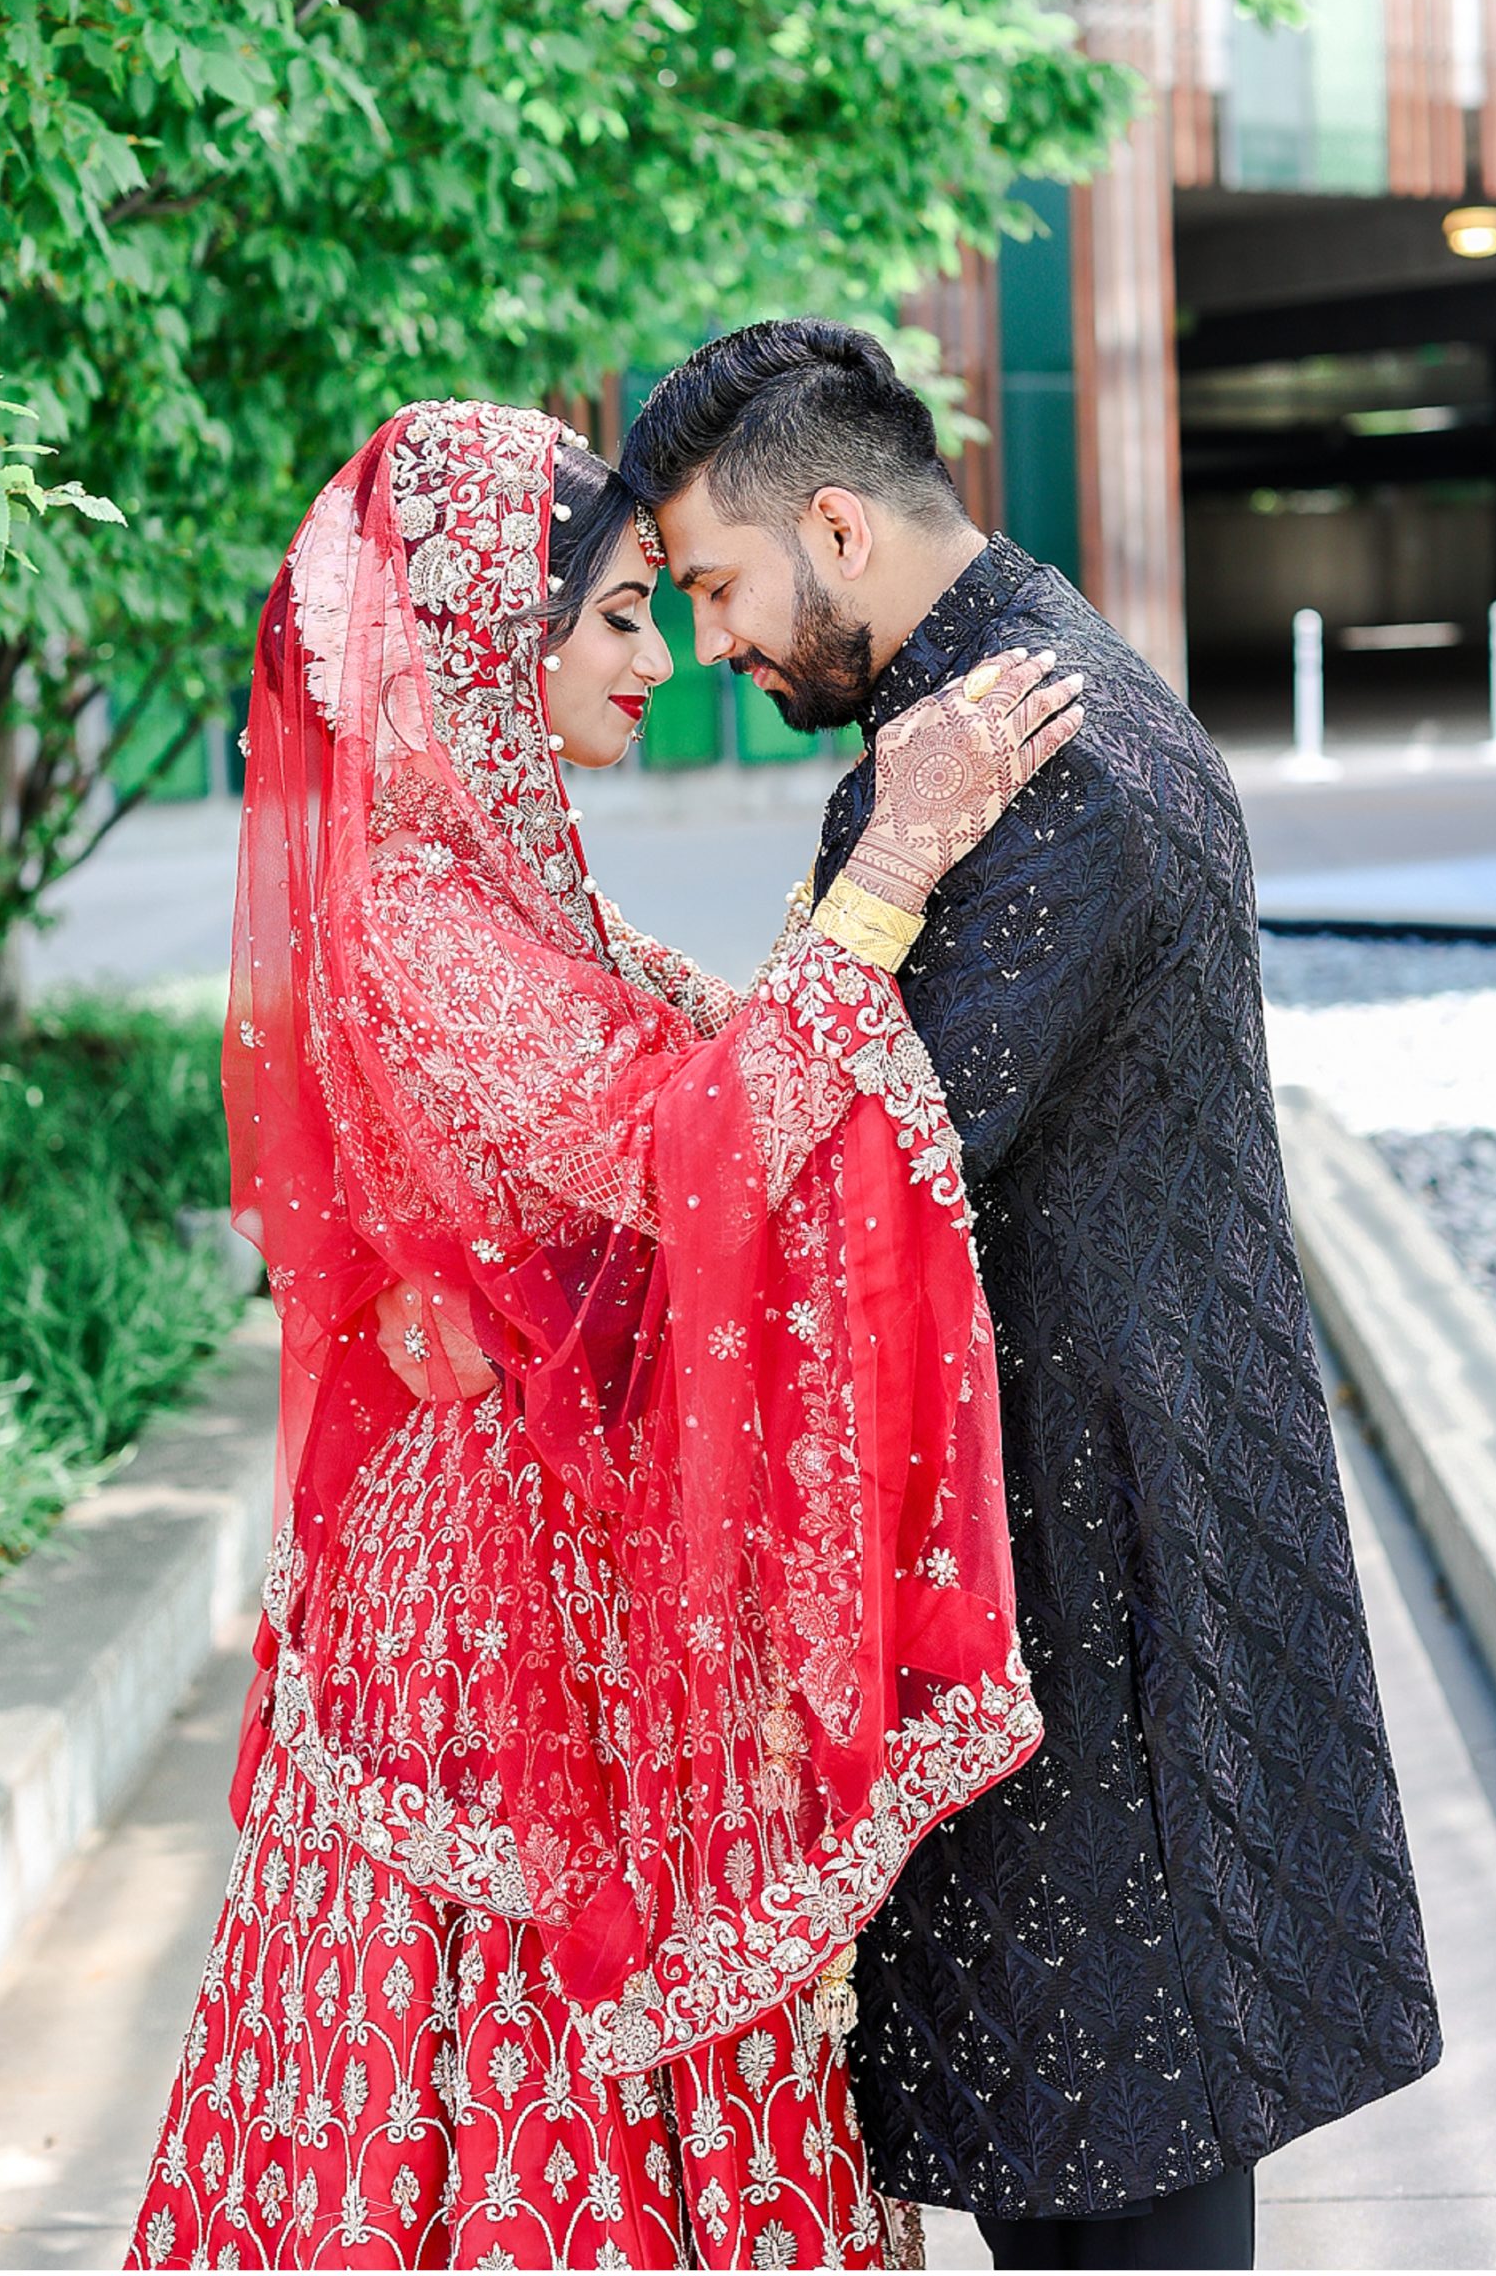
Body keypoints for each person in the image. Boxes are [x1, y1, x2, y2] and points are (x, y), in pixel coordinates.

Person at [126, 399, 1084, 2272]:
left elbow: (725, 1074)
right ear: (495, 637)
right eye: (623, 615)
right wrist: (898, 856)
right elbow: (693, 1151)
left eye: (666, 607)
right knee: (494, 2062)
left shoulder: (503, 896)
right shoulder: (414, 922)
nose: (664, 659)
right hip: (485, 1627)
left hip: (566, 1570)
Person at [620, 322, 1442, 2275]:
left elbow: (843, 1184)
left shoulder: (1021, 767)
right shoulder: (1027, 696)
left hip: (1105, 1630)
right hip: (1091, 1594)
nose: (716, 645)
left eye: (721, 586)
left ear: (836, 518)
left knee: (1124, 2207)